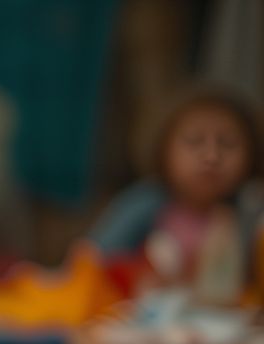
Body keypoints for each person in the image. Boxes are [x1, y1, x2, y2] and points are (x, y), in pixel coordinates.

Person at [89, 86, 264, 303]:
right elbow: (93, 260)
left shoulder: (251, 209)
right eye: (194, 141)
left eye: (227, 144)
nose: (211, 156)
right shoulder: (145, 202)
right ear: (164, 149)